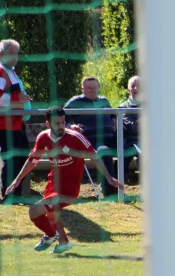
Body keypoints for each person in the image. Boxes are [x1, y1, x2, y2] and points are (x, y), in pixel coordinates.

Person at [5, 106, 124, 254]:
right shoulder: (43, 137)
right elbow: (32, 161)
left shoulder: (75, 137)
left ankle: (50, 235)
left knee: (34, 211)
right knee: (50, 214)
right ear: (48, 124)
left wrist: (109, 178)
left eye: (63, 122)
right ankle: (63, 243)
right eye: (57, 123)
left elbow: (95, 157)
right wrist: (17, 180)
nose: (61, 126)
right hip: (52, 184)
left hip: (68, 189)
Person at [64, 76, 118, 198]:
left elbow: (114, 115)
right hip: (91, 141)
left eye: (94, 87)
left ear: (98, 88)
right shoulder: (75, 102)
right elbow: (62, 119)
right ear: (82, 89)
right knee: (104, 151)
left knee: (133, 148)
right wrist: (71, 126)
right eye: (88, 88)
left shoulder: (104, 100)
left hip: (112, 138)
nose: (91, 90)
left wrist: (114, 120)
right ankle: (110, 190)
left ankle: (121, 184)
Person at [0, 39, 31, 202]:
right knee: (11, 159)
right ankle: (8, 195)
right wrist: (19, 99)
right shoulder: (0, 71)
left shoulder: (11, 70)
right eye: (11, 53)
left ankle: (15, 193)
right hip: (6, 125)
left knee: (22, 157)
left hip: (17, 123)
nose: (15, 57)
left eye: (16, 53)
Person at [117, 75, 141, 177]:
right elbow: (131, 127)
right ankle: (115, 183)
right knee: (123, 157)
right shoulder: (123, 107)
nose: (136, 88)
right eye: (133, 86)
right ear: (128, 90)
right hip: (129, 141)